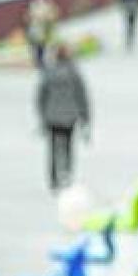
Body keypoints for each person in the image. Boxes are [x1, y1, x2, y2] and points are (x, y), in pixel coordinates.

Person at [36, 44, 91, 191]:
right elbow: (82, 97)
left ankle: (54, 178)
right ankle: (66, 174)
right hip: (70, 117)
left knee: (53, 148)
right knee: (68, 147)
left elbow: (41, 96)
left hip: (52, 117)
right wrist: (85, 118)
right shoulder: (75, 74)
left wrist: (42, 115)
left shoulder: (48, 73)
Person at [25, 0, 60, 69]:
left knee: (50, 48)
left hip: (46, 35)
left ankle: (49, 61)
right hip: (38, 37)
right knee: (39, 50)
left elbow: (53, 16)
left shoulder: (49, 20)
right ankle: (40, 63)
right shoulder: (35, 21)